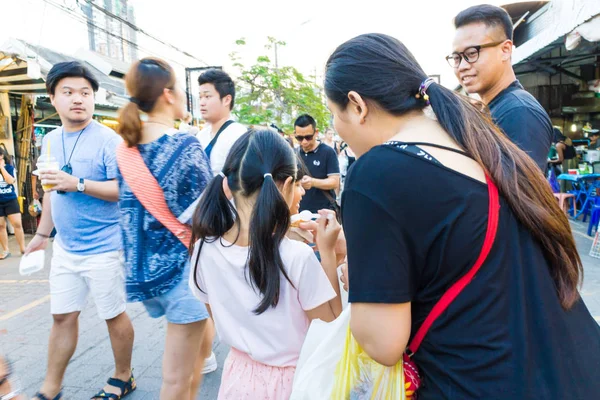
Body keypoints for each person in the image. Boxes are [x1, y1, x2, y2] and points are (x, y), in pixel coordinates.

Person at [326, 33, 600, 399]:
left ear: (357, 105)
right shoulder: (481, 141)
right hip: (573, 370)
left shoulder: (375, 172)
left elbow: (383, 343)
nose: (338, 130)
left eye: (333, 114)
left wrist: (362, 270)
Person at [189, 129, 342, 399]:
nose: (301, 193)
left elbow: (222, 310)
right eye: (297, 185)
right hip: (295, 383)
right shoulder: (296, 257)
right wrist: (330, 254)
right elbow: (330, 332)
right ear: (283, 186)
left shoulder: (203, 248)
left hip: (238, 380)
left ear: (228, 186)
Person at [23, 61, 135, 400]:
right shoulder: (51, 141)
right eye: (68, 92)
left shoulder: (109, 140)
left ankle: (123, 376)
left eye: (85, 93)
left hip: (105, 247)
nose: (78, 99)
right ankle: (50, 387)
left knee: (113, 315)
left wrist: (80, 183)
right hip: (67, 250)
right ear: (53, 98)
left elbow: (126, 190)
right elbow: (50, 191)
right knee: (61, 316)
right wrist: (42, 236)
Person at [116, 58, 215, 400]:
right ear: (168, 95)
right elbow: (209, 216)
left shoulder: (126, 149)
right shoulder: (183, 146)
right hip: (181, 275)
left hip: (143, 273)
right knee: (176, 380)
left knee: (198, 360)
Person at [450, 4, 553, 172]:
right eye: (456, 58)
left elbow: (521, 195)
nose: (462, 66)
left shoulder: (519, 112)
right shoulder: (494, 109)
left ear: (505, 50)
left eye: (471, 54)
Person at [196, 69, 247, 176]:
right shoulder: (200, 136)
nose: (201, 103)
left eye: (207, 96)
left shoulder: (238, 135)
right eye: (200, 97)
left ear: (226, 100)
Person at [294, 114, 340, 213]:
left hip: (322, 211)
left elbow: (335, 182)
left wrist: (313, 182)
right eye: (300, 138)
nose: (304, 142)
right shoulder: (293, 153)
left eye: (308, 137)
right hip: (299, 211)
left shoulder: (328, 152)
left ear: (316, 133)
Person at [0, 147, 25, 258]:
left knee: (17, 224)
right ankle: (5, 250)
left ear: (1, 156)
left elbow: (10, 181)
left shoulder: (9, 167)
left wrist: (1, 168)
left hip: (10, 199)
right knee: (1, 226)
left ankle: (23, 248)